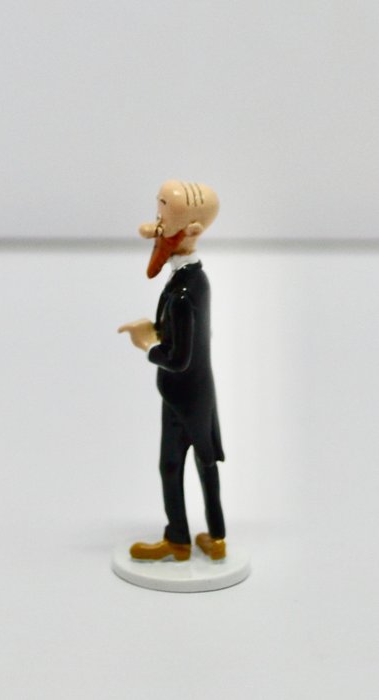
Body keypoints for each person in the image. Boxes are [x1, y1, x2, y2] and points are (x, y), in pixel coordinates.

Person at [118, 180, 226, 561]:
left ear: (192, 230)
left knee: (183, 465)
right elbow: (190, 337)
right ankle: (205, 538)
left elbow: (179, 358)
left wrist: (148, 343)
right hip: (192, 392)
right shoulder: (194, 279)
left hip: (184, 394)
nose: (158, 224)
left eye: (166, 214)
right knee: (195, 464)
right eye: (159, 209)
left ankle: (188, 539)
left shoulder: (183, 293)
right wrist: (158, 328)